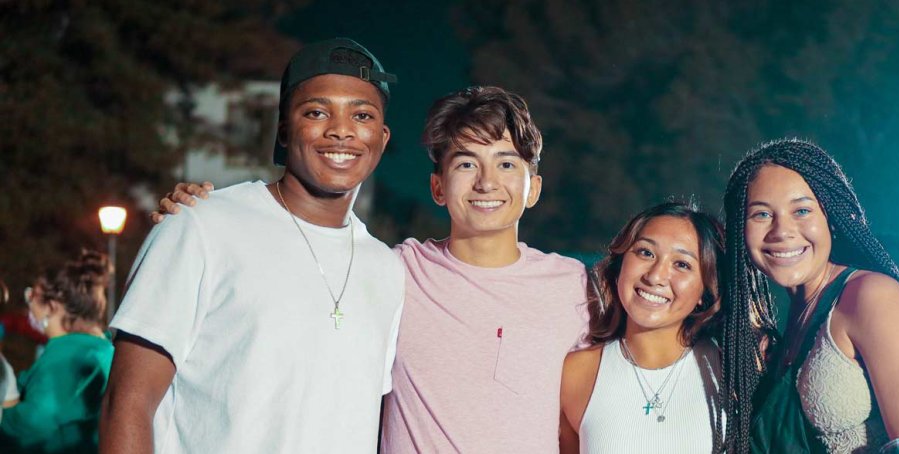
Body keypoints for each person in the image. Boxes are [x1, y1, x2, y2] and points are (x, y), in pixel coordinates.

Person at [156, 86, 588, 452]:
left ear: (534, 189)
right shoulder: (392, 270)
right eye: (466, 163)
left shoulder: (572, 286)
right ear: (438, 187)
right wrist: (204, 213)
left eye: (507, 163)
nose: (487, 182)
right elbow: (294, 253)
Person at [99, 38, 405, 454]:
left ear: (381, 138)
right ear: (283, 129)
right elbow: (126, 403)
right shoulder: (201, 226)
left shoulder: (386, 268)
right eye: (316, 112)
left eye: (362, 115)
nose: (341, 130)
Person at [720, 139, 899, 453]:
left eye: (801, 210)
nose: (781, 231)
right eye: (761, 215)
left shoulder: (870, 296)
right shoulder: (789, 320)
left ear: (830, 217)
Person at [559, 202, 726, 454]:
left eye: (682, 264)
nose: (655, 276)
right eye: (646, 253)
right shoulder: (575, 373)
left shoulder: (731, 369)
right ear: (620, 266)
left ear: (705, 290)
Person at [0, 250, 114, 453]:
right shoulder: (100, 348)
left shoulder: (68, 358)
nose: (28, 304)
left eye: (32, 295)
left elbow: (29, 429)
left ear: (51, 307)